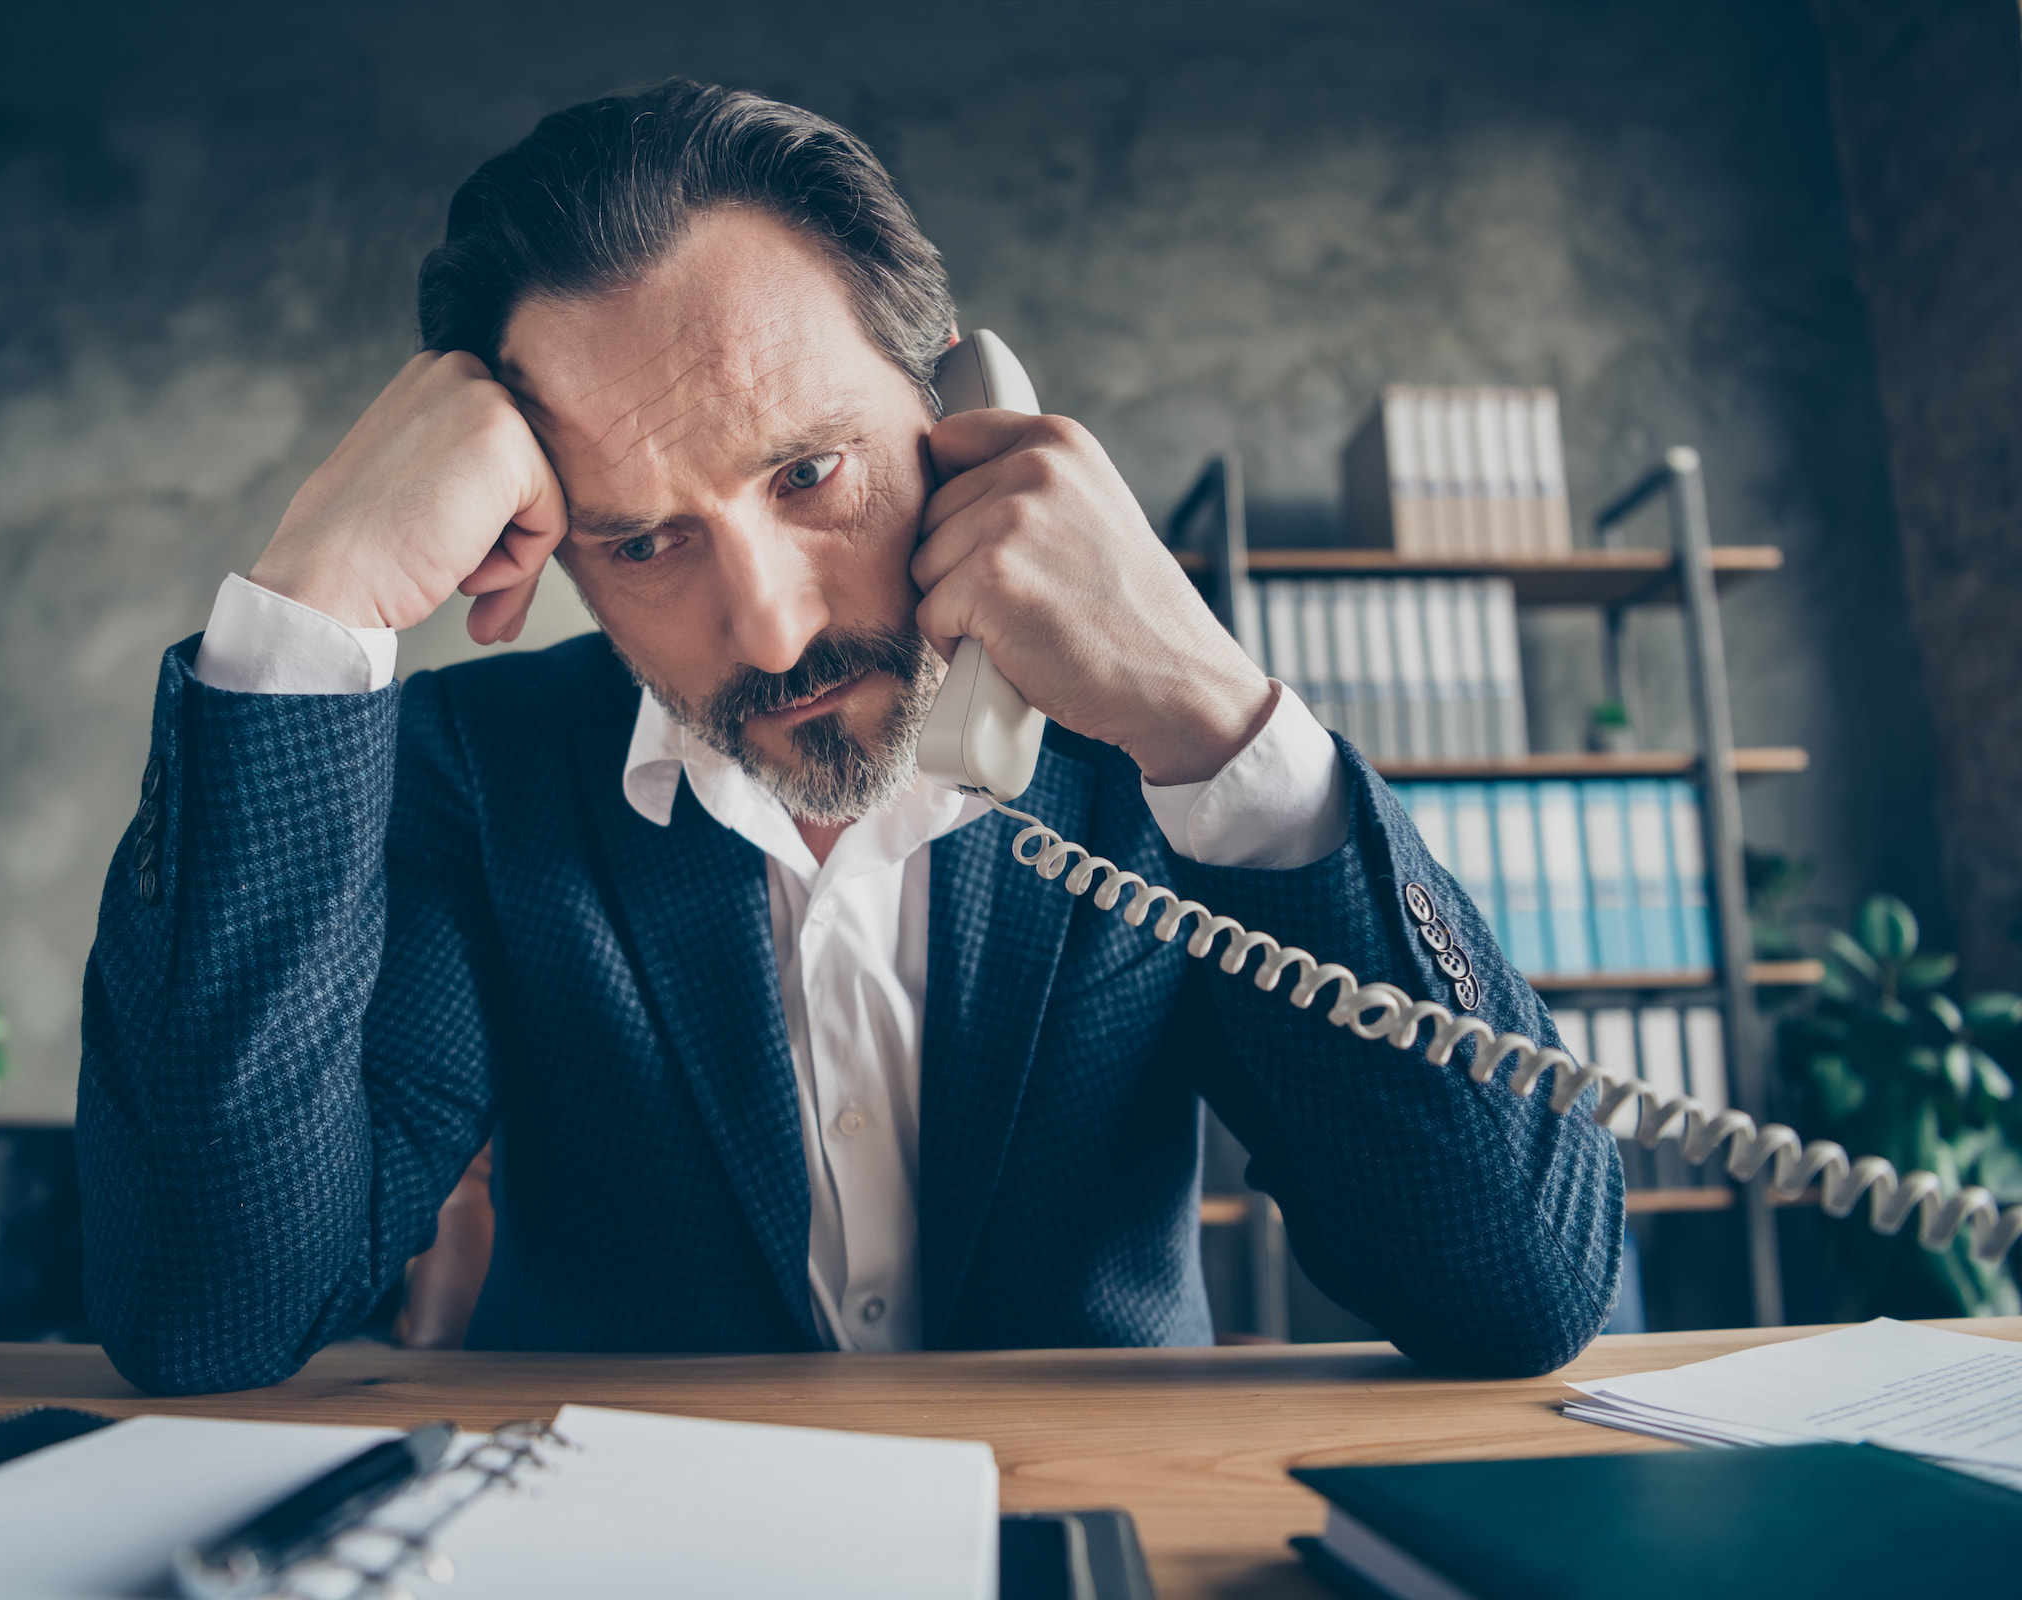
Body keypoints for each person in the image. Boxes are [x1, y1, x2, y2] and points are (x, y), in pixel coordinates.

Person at [79, 80, 1621, 1397]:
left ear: (956, 402)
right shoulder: (479, 774)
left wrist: (1214, 722)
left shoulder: (1155, 762)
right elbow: (204, 1315)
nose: (764, 631)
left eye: (811, 474)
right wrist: (312, 604)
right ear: (543, 543)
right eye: (643, 544)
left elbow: (1522, 1290)